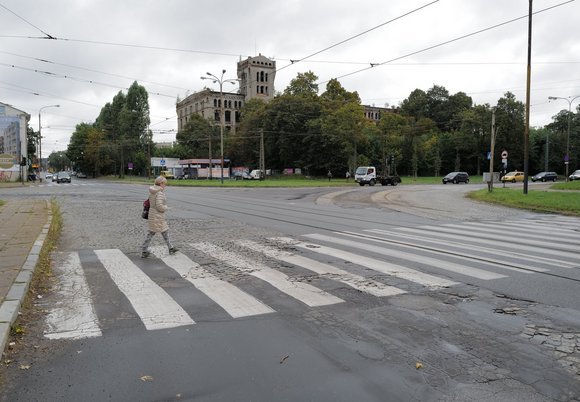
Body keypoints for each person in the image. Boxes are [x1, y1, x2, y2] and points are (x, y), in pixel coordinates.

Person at [141, 176, 178, 258]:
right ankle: (144, 250)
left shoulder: (153, 191)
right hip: (157, 215)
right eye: (165, 184)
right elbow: (159, 206)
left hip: (154, 214)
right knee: (152, 233)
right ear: (161, 183)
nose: (165, 186)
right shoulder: (159, 193)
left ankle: (170, 247)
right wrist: (166, 208)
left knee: (164, 231)